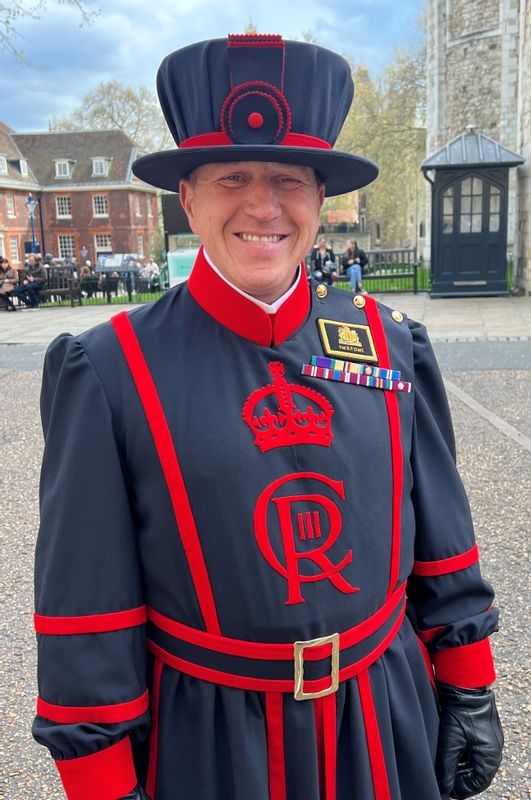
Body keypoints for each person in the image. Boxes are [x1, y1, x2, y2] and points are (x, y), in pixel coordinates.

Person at [33, 34, 503, 800]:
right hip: (211, 744)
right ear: (187, 198)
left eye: (288, 178)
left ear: (320, 200)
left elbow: (443, 532)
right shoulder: (110, 369)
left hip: (382, 716)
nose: (263, 205)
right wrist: (101, 782)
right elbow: (85, 605)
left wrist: (468, 684)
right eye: (231, 177)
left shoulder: (390, 344)